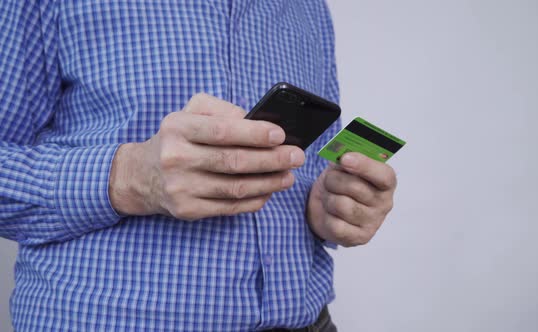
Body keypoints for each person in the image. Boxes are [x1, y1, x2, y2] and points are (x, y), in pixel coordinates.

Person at [0, 1, 397, 331]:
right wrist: (129, 177)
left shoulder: (308, 6)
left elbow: (312, 162)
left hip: (310, 322)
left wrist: (332, 207)